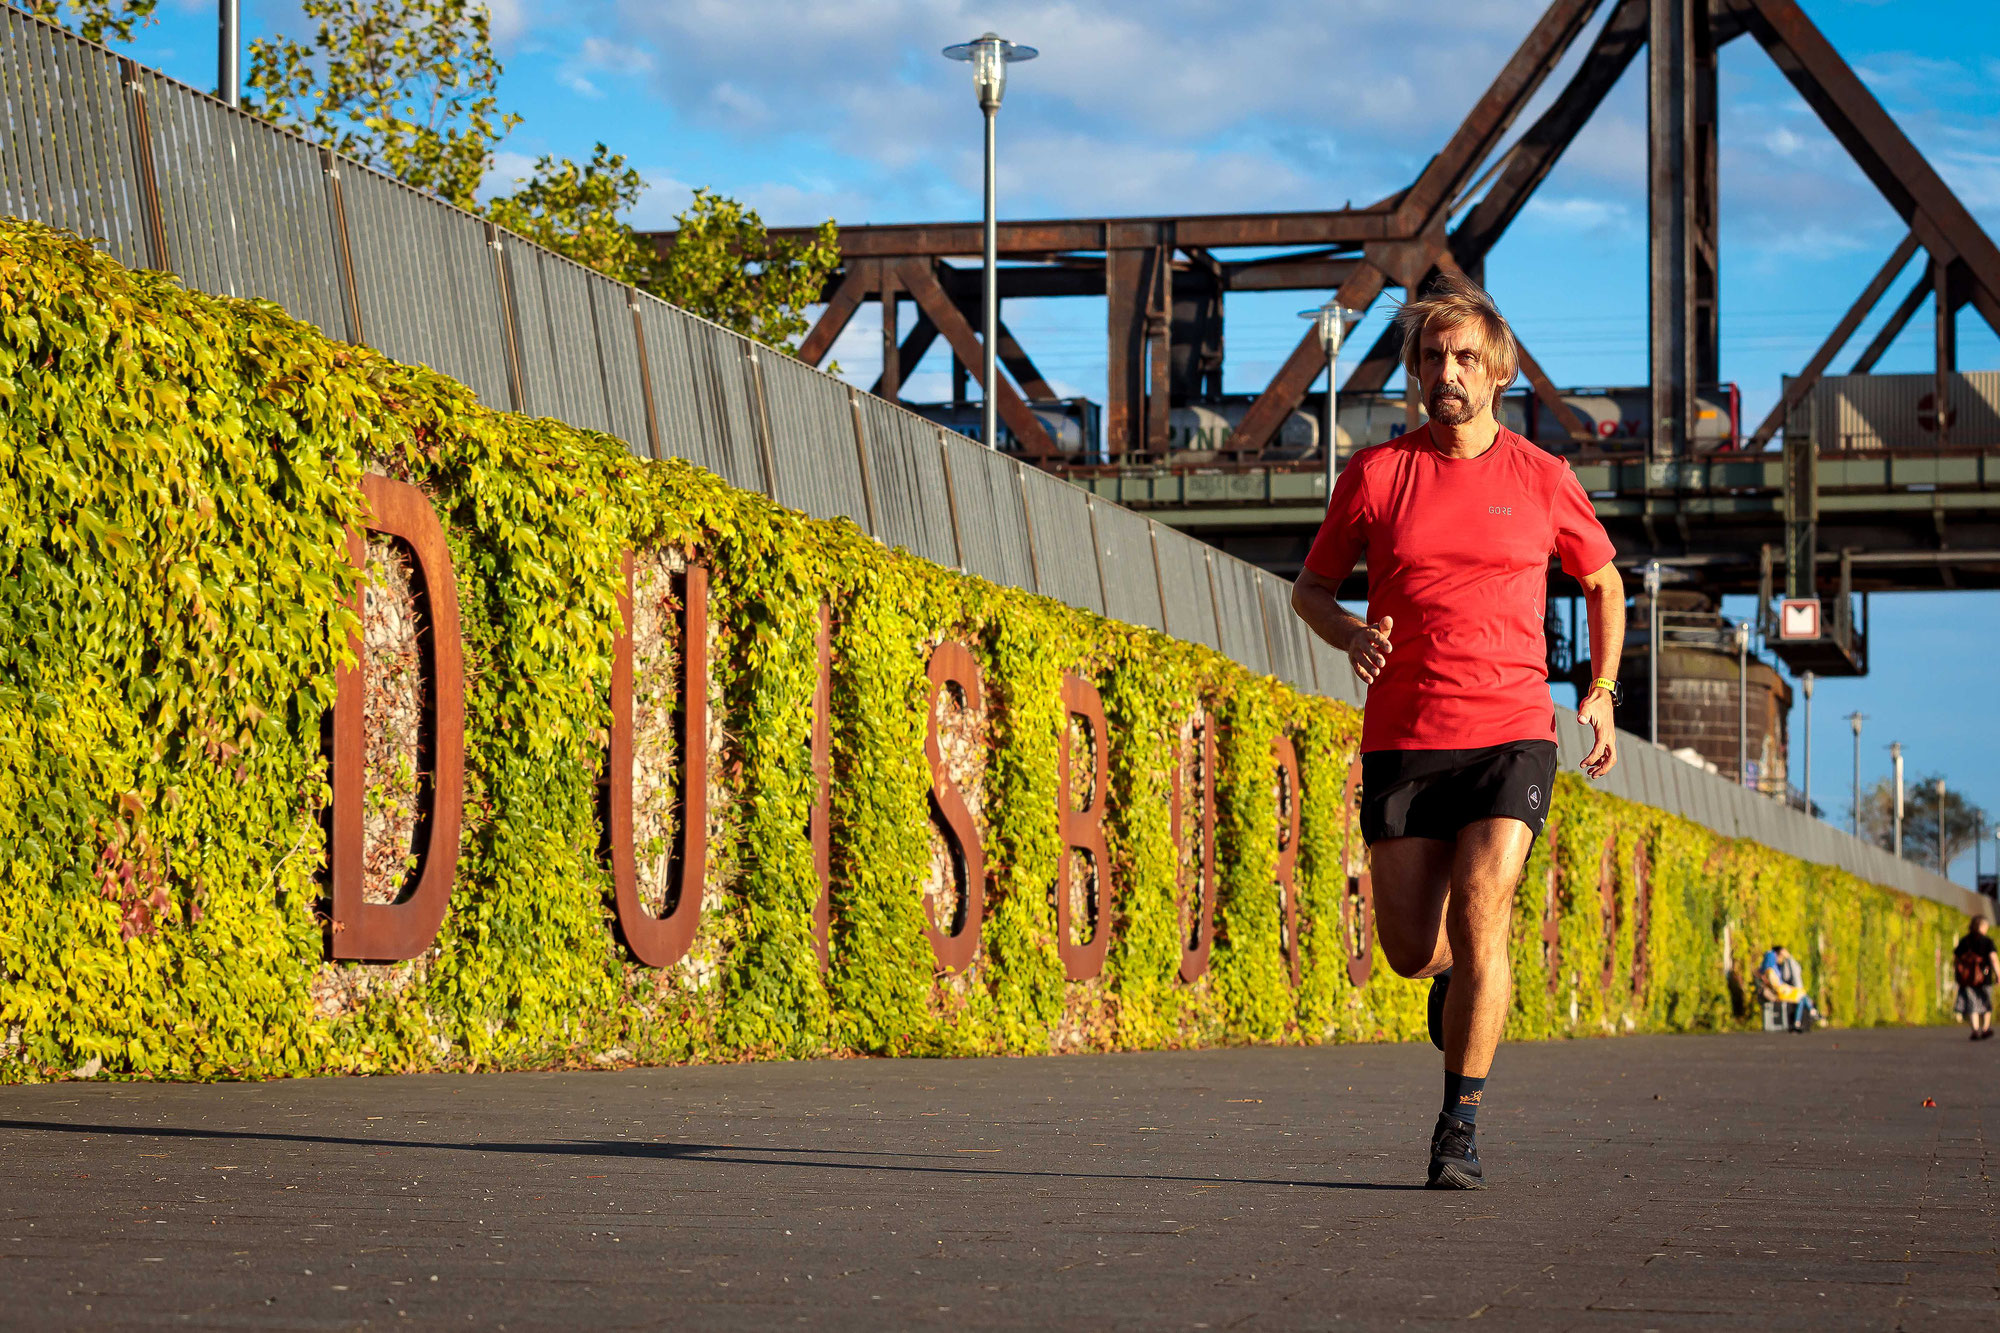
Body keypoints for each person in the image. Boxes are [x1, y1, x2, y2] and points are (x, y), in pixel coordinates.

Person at [1291, 271, 1624, 1190]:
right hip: (1405, 734)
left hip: (1513, 729)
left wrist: (1599, 691)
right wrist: (1354, 632)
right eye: (1433, 355)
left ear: (1500, 370)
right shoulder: (1377, 475)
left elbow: (1604, 583)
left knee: (1485, 907)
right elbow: (1310, 590)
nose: (1448, 370)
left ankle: (1459, 1125)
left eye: (1466, 356)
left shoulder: (1544, 477)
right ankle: (1452, 981)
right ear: (1415, 371)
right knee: (1409, 949)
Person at [1755, 944, 1818, 1032]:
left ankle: (1799, 1020)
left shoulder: (1772, 968)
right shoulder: (1771, 971)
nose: (1780, 959)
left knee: (1801, 997)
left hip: (1783, 990)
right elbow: (1776, 985)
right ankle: (1811, 1011)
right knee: (1801, 995)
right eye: (1780, 956)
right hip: (1781, 992)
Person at [1953, 917, 1996, 1041]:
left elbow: (1956, 960)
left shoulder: (1964, 941)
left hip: (1967, 979)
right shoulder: (1987, 941)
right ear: (1982, 926)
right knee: (1986, 1002)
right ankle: (1985, 1028)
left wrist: (1959, 974)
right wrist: (1998, 974)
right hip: (1984, 978)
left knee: (1972, 1003)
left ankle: (1975, 1029)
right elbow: (1993, 959)